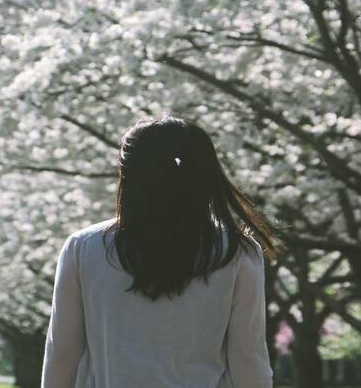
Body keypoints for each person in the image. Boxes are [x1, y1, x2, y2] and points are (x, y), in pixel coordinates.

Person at [41, 116, 285, 387]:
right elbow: (248, 358)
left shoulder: (84, 248)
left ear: (127, 175)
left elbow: (63, 354)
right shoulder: (236, 253)